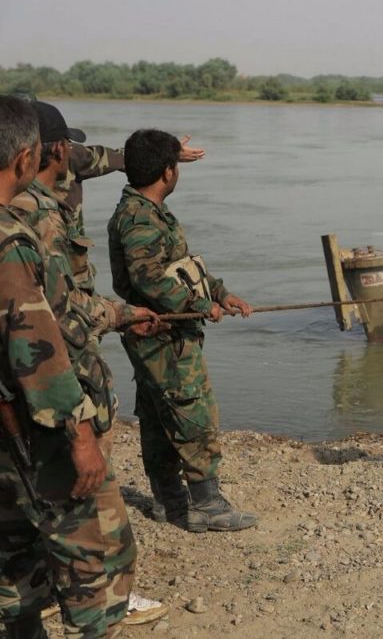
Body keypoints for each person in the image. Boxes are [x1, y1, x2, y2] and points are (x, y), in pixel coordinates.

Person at [0, 95, 137, 638]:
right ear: (26, 159)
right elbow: (36, 350)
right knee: (99, 553)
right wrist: (80, 436)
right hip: (33, 431)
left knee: (11, 549)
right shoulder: (10, 240)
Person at [108, 129, 258, 533]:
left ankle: (168, 502)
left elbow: (183, 265)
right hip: (162, 335)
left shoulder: (147, 210)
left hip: (159, 334)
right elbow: (148, 277)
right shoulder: (139, 217)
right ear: (168, 173)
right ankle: (207, 504)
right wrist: (198, 306)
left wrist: (220, 293)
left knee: (159, 416)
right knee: (193, 413)